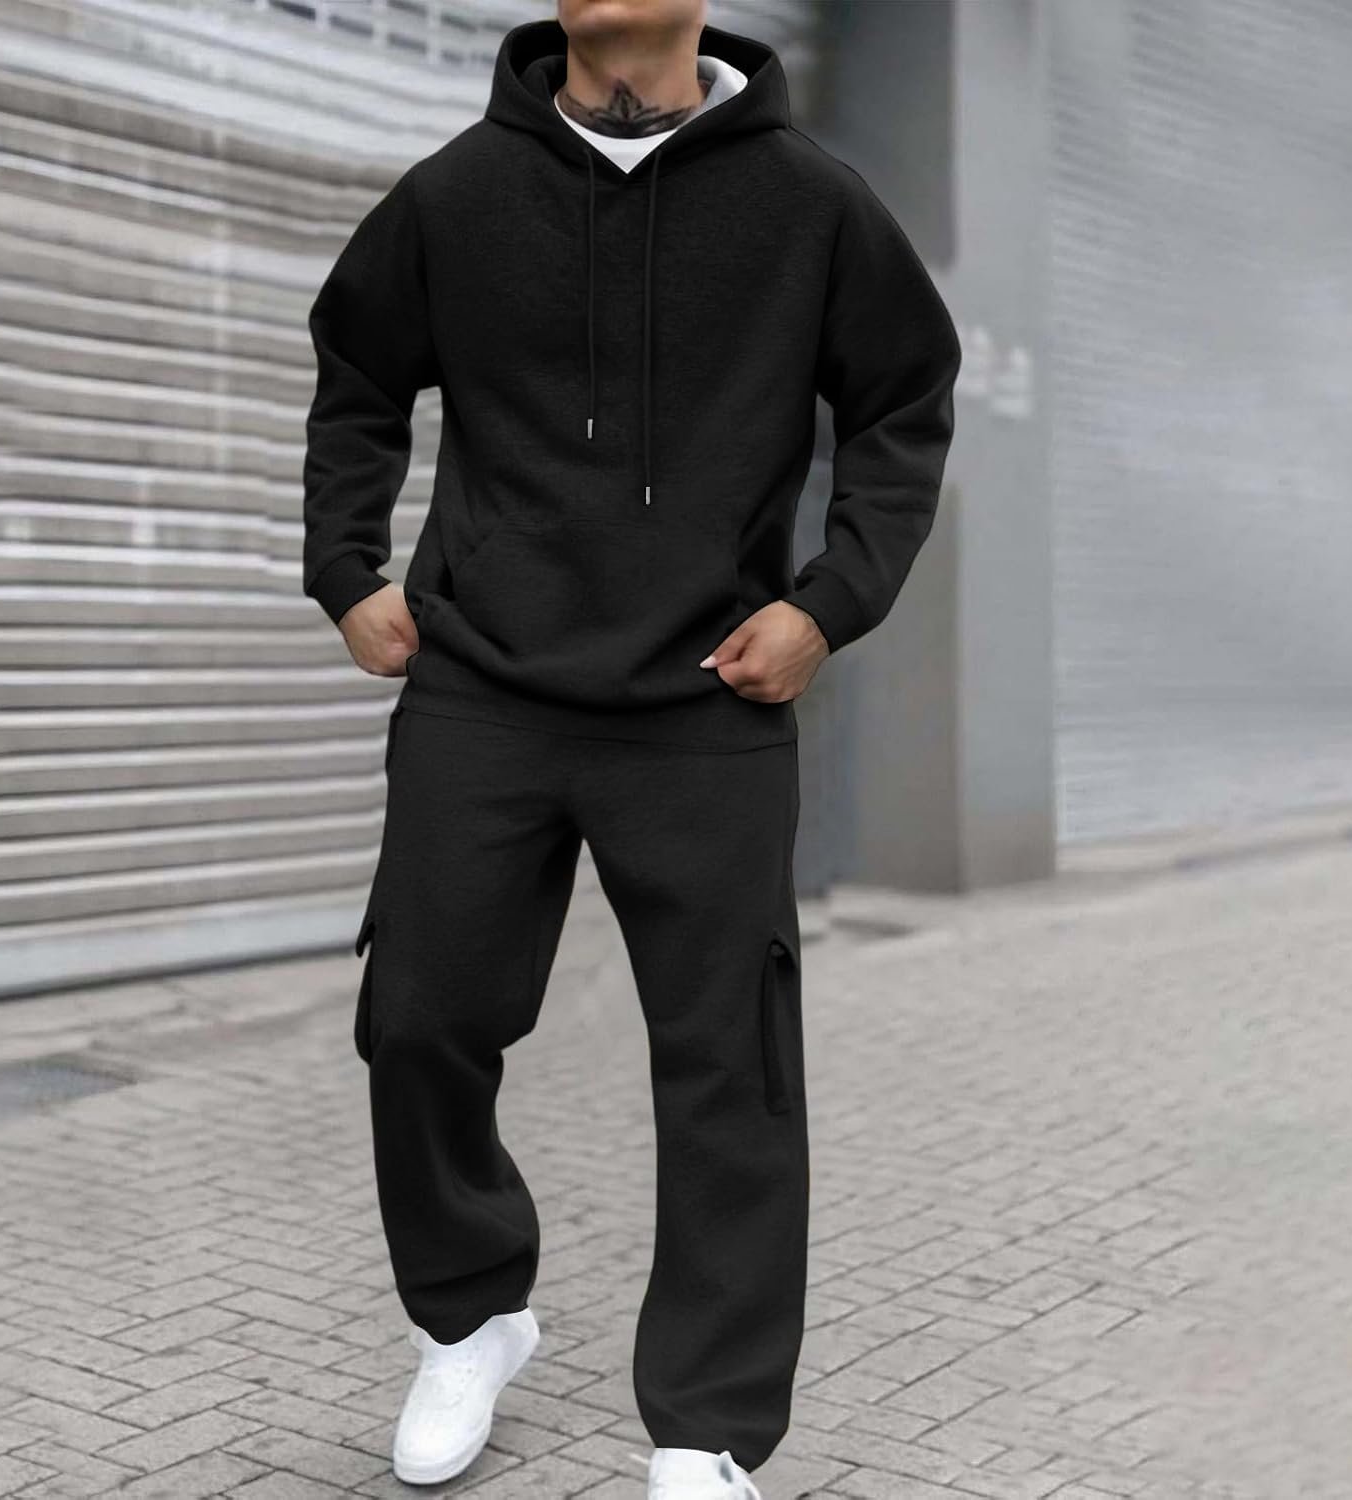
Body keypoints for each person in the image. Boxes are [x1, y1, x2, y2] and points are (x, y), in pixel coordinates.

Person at [302, 1, 960, 1494]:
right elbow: (356, 375)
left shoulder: (810, 204)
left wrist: (828, 606)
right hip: (484, 689)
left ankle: (709, 1426)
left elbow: (904, 405)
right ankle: (472, 1318)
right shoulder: (458, 193)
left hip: (707, 702)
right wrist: (346, 569)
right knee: (419, 1019)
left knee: (730, 1065)